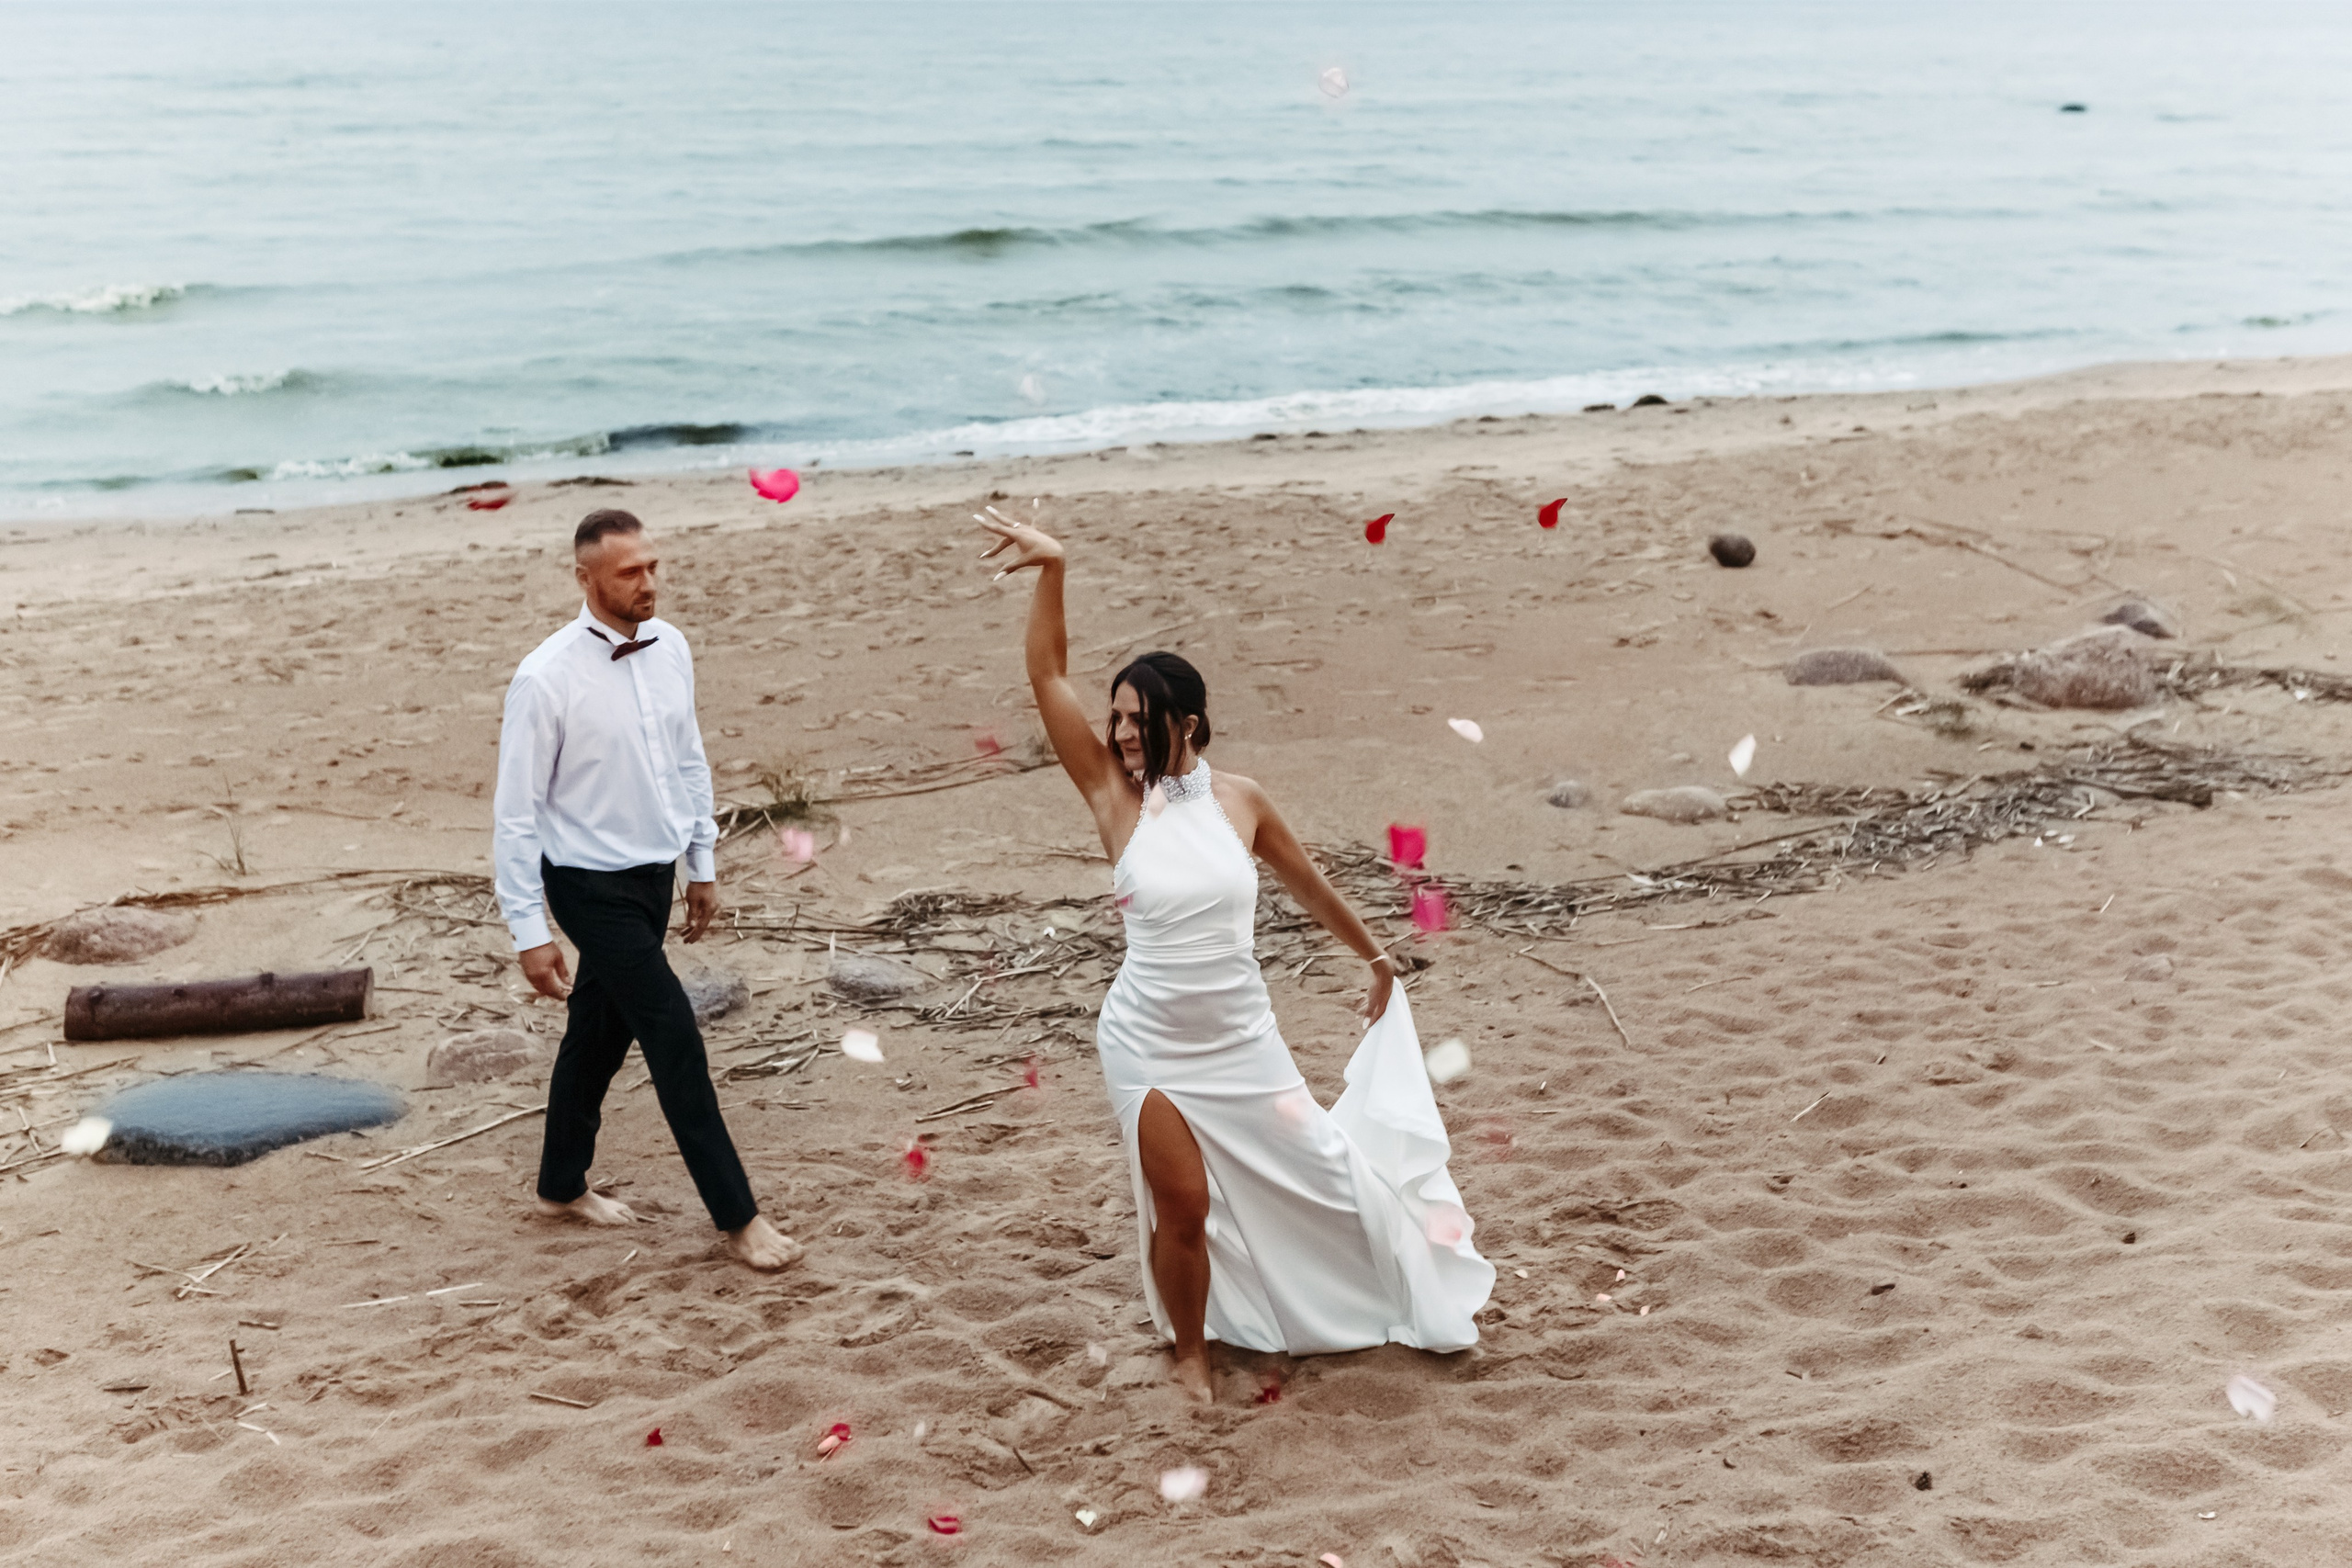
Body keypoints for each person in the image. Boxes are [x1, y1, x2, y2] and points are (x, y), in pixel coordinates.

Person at [977, 511, 1493, 1402]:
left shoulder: (1239, 801)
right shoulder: (1111, 797)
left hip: (1241, 1040)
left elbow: (1308, 884)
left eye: (1139, 719)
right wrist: (1054, 567)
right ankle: (1189, 1353)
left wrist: (1375, 959)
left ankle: (1360, 1291)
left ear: (1188, 720)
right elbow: (1044, 672)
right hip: (1146, 1040)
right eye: (1116, 720)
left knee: (1329, 1178)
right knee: (1183, 1206)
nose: (1123, 734)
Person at [492, 508, 800, 1271]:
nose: (649, 582)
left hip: (653, 876)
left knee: (597, 1034)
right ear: (586, 578)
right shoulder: (545, 677)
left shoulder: (673, 649)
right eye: (630, 571)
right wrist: (528, 929)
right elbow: (515, 813)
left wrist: (701, 863)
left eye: (653, 566)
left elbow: (687, 758)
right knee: (671, 1030)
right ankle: (739, 1216)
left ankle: (560, 1185)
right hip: (586, 885)